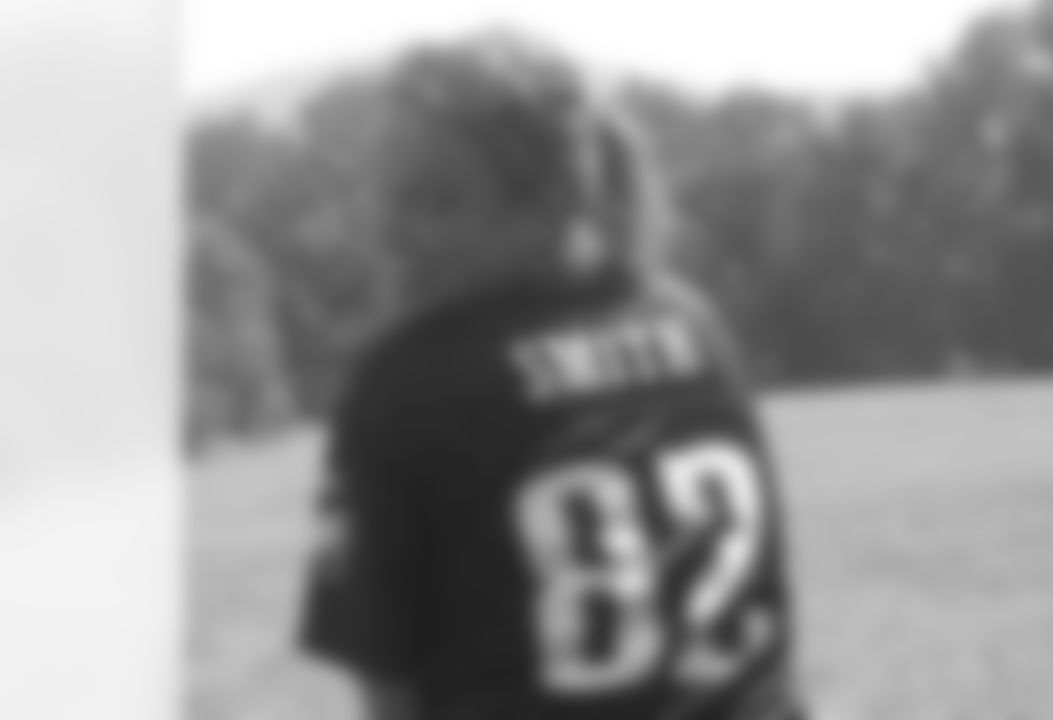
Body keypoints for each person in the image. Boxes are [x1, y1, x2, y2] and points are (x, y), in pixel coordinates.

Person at [297, 42, 808, 720]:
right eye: (383, 199)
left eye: (436, 202)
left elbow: (391, 689)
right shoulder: (694, 324)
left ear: (553, 205)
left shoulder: (408, 383)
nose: (390, 234)